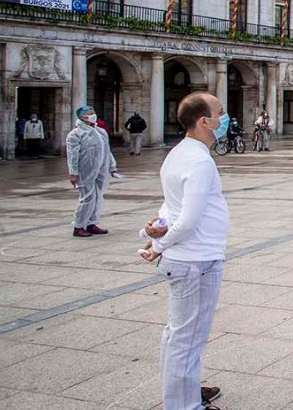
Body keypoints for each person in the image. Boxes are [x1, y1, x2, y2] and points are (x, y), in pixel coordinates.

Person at [138, 92, 231, 410]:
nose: (225, 118)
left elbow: (171, 206)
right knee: (188, 338)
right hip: (197, 261)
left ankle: (185, 391)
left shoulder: (179, 153)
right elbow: (188, 220)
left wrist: (154, 233)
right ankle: (184, 405)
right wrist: (158, 244)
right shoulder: (199, 161)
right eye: (220, 113)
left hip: (189, 258)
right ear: (205, 121)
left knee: (178, 334)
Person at [67, 105, 116, 237]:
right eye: (89, 113)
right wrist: (73, 173)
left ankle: (91, 223)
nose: (92, 115)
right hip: (85, 171)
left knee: (98, 197)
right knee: (87, 198)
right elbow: (72, 155)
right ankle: (78, 226)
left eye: (93, 112)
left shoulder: (100, 132)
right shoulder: (75, 134)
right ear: (82, 116)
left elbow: (107, 150)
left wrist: (112, 166)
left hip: (100, 170)